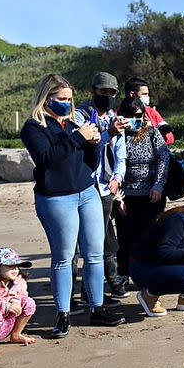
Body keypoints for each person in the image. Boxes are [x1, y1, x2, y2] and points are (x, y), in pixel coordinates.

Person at [21, 74, 125, 339]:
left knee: (94, 253)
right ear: (46, 99)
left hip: (86, 192)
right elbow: (48, 159)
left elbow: (87, 160)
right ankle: (63, 313)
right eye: (61, 99)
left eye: (69, 99)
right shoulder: (33, 127)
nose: (67, 104)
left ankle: (97, 307)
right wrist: (79, 137)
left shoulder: (70, 125)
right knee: (64, 257)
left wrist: (94, 142)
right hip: (56, 198)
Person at [75, 72, 129, 303]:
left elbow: (121, 154)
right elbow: (88, 144)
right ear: (92, 91)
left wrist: (117, 177)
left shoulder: (115, 117)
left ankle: (98, 288)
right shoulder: (79, 116)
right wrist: (110, 133)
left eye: (111, 93)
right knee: (85, 242)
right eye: (102, 91)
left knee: (104, 237)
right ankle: (81, 293)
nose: (107, 96)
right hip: (84, 186)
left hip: (107, 188)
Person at [113, 97, 170, 280]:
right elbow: (111, 165)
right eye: (128, 116)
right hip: (125, 195)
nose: (133, 120)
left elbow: (163, 158)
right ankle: (123, 275)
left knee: (148, 237)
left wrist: (158, 185)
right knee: (125, 238)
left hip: (151, 194)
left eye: (137, 116)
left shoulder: (152, 133)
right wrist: (118, 197)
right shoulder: (116, 135)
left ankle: (147, 274)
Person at [123, 77, 175, 145]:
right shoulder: (118, 114)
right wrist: (143, 126)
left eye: (148, 94)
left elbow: (170, 138)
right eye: (144, 94)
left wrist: (159, 131)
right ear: (132, 94)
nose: (147, 97)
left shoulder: (151, 112)